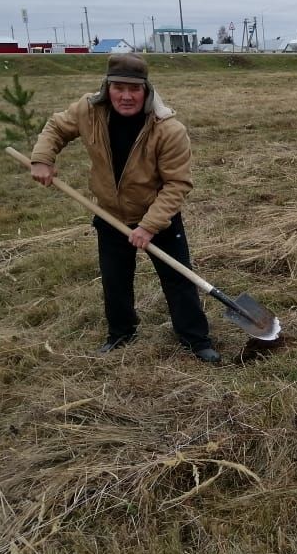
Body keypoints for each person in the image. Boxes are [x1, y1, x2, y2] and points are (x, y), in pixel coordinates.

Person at [29, 54, 221, 363]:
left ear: (146, 90)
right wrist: (42, 158)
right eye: (119, 87)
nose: (126, 96)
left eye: (134, 89)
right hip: (110, 214)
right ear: (107, 87)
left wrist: (148, 226)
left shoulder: (168, 130)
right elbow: (56, 127)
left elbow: (177, 185)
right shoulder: (88, 110)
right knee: (114, 279)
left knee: (178, 277)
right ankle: (121, 333)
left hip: (159, 216)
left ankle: (195, 339)